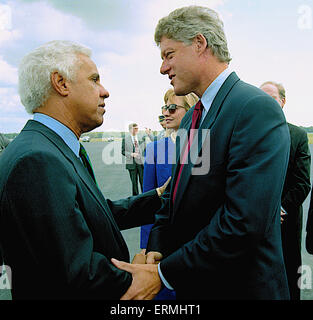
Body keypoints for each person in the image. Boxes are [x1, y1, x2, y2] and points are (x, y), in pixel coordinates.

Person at [112, 5, 291, 300]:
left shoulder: (254, 108)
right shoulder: (194, 116)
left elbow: (243, 223)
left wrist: (163, 274)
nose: (162, 68)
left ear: (199, 44)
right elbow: (173, 198)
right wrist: (157, 247)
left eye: (169, 55)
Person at [0, 40, 170, 300]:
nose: (105, 92)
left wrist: (157, 196)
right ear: (61, 83)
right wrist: (141, 275)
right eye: (94, 80)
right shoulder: (37, 160)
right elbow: (76, 272)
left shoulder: (50, 147)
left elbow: (91, 216)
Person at [260, 81, 311, 300]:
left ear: (282, 101)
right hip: (256, 219)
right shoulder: (249, 135)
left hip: (286, 221)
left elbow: (302, 183)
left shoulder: (298, 135)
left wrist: (279, 209)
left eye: (270, 98)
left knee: (290, 274)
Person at [121, 123, 148, 196]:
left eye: (137, 128)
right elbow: (123, 151)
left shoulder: (141, 138)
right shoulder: (125, 139)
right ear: (130, 130)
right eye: (135, 129)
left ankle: (144, 197)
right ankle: (135, 199)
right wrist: (131, 154)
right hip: (131, 164)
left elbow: (145, 149)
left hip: (141, 163)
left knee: (143, 182)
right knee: (134, 183)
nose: (137, 130)